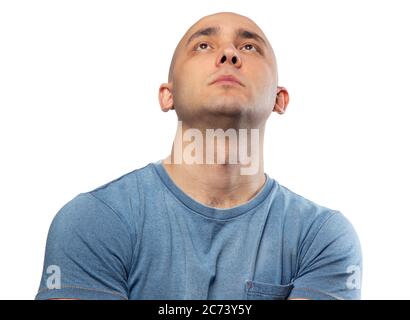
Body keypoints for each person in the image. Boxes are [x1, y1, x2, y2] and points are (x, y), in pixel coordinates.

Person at [35, 11, 362, 300]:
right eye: (203, 46)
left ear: (280, 100)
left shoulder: (321, 237)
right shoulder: (94, 221)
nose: (229, 54)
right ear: (168, 95)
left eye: (249, 47)